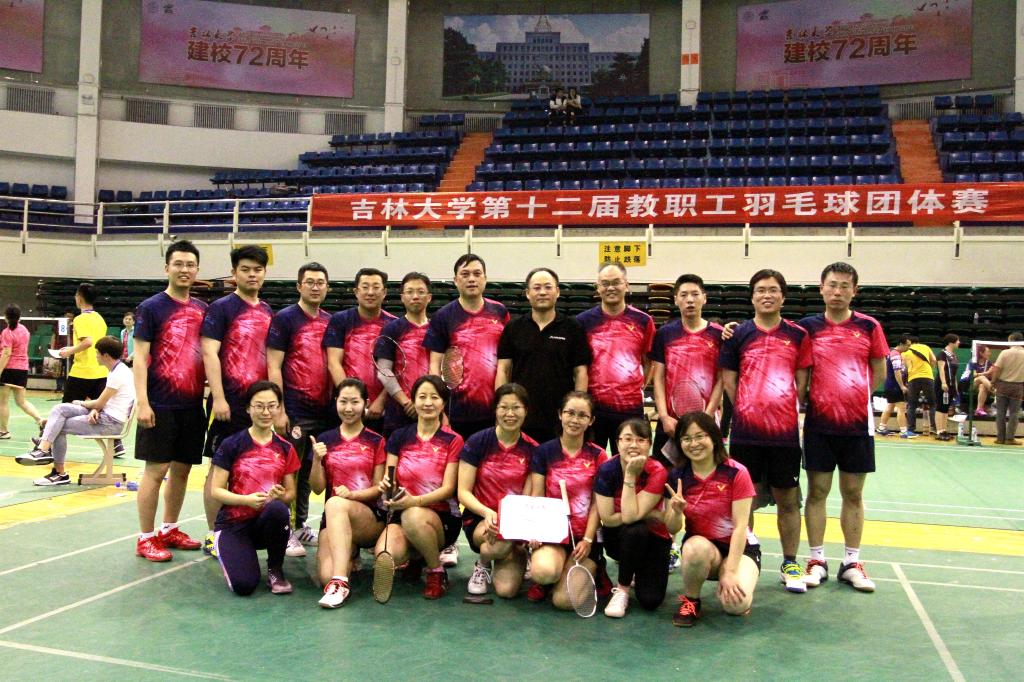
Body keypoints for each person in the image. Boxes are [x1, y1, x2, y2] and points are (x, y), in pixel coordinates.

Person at [719, 268, 811, 593]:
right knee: (745, 500)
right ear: (752, 296)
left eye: (773, 290)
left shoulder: (797, 335)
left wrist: (780, 409)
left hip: (784, 436)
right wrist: (750, 408)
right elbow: (729, 380)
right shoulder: (738, 334)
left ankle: (790, 562)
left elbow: (801, 382)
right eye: (760, 290)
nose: (766, 295)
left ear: (783, 297)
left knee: (789, 499)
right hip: (746, 434)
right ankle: (747, 557)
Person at [798, 263, 887, 593]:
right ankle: (816, 560)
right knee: (817, 492)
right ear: (821, 288)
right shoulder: (807, 328)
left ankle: (851, 562)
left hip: (857, 427)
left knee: (853, 493)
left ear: (854, 291)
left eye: (844, 286)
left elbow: (878, 372)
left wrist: (853, 397)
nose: (837, 291)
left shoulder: (868, 326)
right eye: (832, 285)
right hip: (819, 425)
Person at [133, 240, 208, 562]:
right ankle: (145, 537)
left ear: (197, 269)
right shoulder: (151, 308)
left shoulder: (202, 309)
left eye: (190, 264)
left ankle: (169, 528)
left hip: (191, 405)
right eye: (178, 264)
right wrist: (143, 401)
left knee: (182, 470)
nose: (184, 270)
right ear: (167, 268)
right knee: (156, 470)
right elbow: (139, 357)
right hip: (159, 404)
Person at [200, 245, 274, 555]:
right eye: (245, 269)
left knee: (252, 468)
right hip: (227, 404)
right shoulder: (221, 308)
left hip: (259, 408)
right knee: (219, 470)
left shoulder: (267, 311)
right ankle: (214, 535)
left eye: (257, 270)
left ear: (265, 273)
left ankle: (242, 532)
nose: (252, 275)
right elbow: (209, 352)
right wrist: (218, 397)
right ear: (234, 273)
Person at [664, 412, 760, 628]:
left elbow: (740, 527)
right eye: (686, 438)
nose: (693, 444)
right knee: (694, 548)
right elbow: (672, 528)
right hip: (704, 549)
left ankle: (736, 574)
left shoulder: (736, 472)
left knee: (735, 606)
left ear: (714, 438)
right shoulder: (678, 477)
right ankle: (691, 600)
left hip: (741, 549)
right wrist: (676, 512)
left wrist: (731, 571)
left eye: (700, 436)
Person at [266, 262, 333, 558]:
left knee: (309, 470)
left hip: (325, 411)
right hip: (294, 409)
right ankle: (285, 531)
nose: (315, 287)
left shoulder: (331, 321)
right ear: (298, 286)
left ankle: (301, 524)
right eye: (310, 282)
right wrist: (279, 409)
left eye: (320, 282)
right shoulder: (285, 319)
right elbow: (273, 366)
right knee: (288, 472)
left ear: (327, 287)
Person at [376, 375, 464, 599]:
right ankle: (417, 556)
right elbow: (390, 477)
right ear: (413, 401)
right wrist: (387, 485)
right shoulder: (399, 436)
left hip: (442, 517)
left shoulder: (453, 440)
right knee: (386, 554)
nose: (427, 403)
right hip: (402, 511)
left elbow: (448, 489)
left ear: (443, 403)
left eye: (434, 397)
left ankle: (436, 571)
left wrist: (414, 502)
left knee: (413, 516)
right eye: (422, 397)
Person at [209, 381, 300, 596]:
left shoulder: (285, 448)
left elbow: (291, 493)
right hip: (234, 525)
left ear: (278, 408)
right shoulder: (231, 444)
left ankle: (275, 569)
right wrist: (246, 500)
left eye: (271, 406)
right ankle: (228, 548)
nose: (265, 412)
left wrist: (280, 496)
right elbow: (216, 490)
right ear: (248, 408)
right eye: (259, 406)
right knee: (244, 586)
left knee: (278, 509)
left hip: (265, 523)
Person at [309, 378, 386, 608]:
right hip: (334, 521)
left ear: (366, 404)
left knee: (334, 503)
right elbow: (317, 488)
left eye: (355, 402)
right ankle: (348, 557)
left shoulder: (376, 440)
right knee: (325, 576)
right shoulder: (325, 439)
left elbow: (378, 490)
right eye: (343, 401)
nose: (349, 408)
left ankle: (340, 582)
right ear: (336, 402)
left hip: (368, 519)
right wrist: (316, 460)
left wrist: (351, 496)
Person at [527, 391, 608, 609]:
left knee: (563, 602)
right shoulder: (544, 452)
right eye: (570, 413)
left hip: (583, 539)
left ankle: (595, 569)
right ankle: (553, 576)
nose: (575, 420)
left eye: (582, 415)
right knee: (543, 572)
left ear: (591, 420)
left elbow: (597, 504)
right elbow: (537, 496)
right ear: (560, 415)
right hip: (553, 535)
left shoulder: (598, 455)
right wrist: (536, 532)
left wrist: (588, 540)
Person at [16, 336, 134, 485]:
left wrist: (80, 403)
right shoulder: (117, 369)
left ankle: (59, 473)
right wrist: (95, 409)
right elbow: (106, 402)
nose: (95, 356)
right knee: (60, 409)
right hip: (104, 414)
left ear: (106, 355)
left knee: (58, 426)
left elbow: (100, 402)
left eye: (97, 353)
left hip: (110, 422)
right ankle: (43, 449)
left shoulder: (118, 374)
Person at [458, 383, 537, 598]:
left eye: (516, 408)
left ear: (526, 411)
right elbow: (463, 492)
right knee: (493, 546)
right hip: (481, 518)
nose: (510, 414)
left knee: (507, 591)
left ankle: (518, 552)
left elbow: (529, 497)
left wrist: (515, 523)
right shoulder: (477, 442)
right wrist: (487, 513)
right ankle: (483, 564)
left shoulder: (532, 449)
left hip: (515, 522)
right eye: (504, 407)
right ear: (495, 410)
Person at [495, 267, 590, 444]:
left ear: (558, 291)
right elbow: (503, 369)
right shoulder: (514, 328)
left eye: (548, 287)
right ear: (527, 293)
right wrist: (501, 406)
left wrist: (576, 409)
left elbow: (580, 372)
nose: (542, 292)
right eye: (537, 288)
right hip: (520, 416)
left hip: (560, 418)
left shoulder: (573, 328)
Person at [425, 254, 509, 440]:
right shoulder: (443, 316)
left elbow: (506, 363)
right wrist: (440, 410)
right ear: (456, 280)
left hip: (494, 410)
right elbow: (434, 365)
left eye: (477, 274)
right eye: (465, 274)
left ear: (485, 278)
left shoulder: (500, 312)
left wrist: (503, 406)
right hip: (457, 411)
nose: (471, 279)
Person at [594, 418, 671, 618]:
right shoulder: (607, 470)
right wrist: (650, 513)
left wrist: (635, 512)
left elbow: (628, 515)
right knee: (636, 529)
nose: (634, 445)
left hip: (655, 538)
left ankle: (637, 569)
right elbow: (609, 519)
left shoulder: (657, 471)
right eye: (628, 439)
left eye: (641, 440)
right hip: (619, 538)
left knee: (651, 601)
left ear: (649, 444)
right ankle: (622, 590)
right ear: (617, 442)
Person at [577, 262, 655, 455]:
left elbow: (648, 362)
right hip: (593, 409)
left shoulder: (643, 321)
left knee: (629, 462)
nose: (610, 288)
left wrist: (635, 387)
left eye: (616, 282)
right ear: (597, 288)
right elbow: (579, 367)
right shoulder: (583, 322)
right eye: (605, 283)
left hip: (630, 409)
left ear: (626, 285)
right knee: (591, 463)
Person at [650, 274, 724, 464]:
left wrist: (708, 416)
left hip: (706, 421)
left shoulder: (718, 335)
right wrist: (663, 416)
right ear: (676, 299)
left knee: (705, 473)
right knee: (663, 474)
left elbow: (721, 379)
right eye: (683, 295)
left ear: (704, 298)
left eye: (695, 294)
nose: (689, 300)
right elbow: (658, 378)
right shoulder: (665, 334)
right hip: (671, 423)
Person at [325, 268, 396, 435]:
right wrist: (351, 401)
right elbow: (334, 363)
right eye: (365, 287)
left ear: (384, 292)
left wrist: (381, 401)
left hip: (382, 409)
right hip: (348, 409)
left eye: (376, 287)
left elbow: (396, 369)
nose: (370, 292)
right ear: (356, 291)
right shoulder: (340, 320)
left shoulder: (394, 325)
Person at [374, 272, 432, 437]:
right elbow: (384, 371)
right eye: (410, 292)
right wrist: (406, 402)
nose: (415, 296)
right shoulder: (391, 329)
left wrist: (425, 402)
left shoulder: (437, 329)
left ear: (429, 297)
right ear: (402, 297)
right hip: (399, 412)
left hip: (431, 410)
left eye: (420, 292)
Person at [58, 283, 109, 405]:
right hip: (101, 371)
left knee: (66, 408)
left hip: (82, 372)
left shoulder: (80, 319)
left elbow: (88, 342)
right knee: (97, 409)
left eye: (76, 295)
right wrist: (72, 348)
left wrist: (68, 352)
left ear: (79, 298)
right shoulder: (100, 319)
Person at [0, 304, 44, 439]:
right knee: (21, 402)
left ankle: (3, 431)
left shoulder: (7, 332)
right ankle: (40, 420)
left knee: (2, 402)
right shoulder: (24, 330)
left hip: (9, 369)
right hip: (22, 369)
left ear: (6, 317)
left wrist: (0, 370)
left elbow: (6, 353)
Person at [986, 332, 1024, 445]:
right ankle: (1010, 439)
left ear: (1012, 340)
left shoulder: (1005, 353)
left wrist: (993, 382)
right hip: (1018, 386)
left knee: (1000, 413)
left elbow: (997, 369)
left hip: (1003, 385)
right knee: (1014, 414)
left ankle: (1000, 438)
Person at [902, 336, 937, 438]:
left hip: (913, 378)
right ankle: (934, 428)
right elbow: (934, 360)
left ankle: (910, 429)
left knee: (912, 405)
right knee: (932, 404)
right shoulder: (925, 347)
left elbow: (906, 367)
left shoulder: (906, 352)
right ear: (918, 342)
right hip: (927, 377)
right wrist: (929, 368)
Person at [876, 337, 910, 437]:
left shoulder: (893, 353)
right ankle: (904, 431)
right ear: (901, 344)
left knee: (890, 406)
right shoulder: (895, 355)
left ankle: (881, 428)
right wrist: (902, 386)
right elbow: (897, 371)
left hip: (889, 385)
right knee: (901, 408)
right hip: (895, 386)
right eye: (907, 345)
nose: (909, 347)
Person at [935, 334, 961, 441]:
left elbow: (954, 374)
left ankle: (944, 430)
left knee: (946, 408)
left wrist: (955, 387)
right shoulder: (942, 354)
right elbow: (941, 369)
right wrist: (943, 383)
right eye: (957, 340)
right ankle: (939, 431)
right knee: (940, 407)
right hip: (942, 384)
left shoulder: (954, 356)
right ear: (951, 342)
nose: (959, 342)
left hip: (951, 385)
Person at [963, 345, 994, 417]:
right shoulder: (973, 361)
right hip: (970, 384)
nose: (989, 353)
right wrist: (986, 373)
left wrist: (991, 373)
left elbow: (991, 376)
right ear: (981, 353)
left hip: (982, 385)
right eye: (988, 352)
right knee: (981, 377)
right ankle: (996, 393)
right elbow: (974, 375)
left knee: (982, 386)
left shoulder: (989, 363)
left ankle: (979, 409)